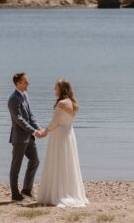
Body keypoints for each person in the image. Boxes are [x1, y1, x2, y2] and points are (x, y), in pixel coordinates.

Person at [38, 78, 88, 207]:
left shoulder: (61, 104)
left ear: (61, 89)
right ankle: (69, 191)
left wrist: (44, 131)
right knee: (68, 163)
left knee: (58, 162)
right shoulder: (71, 103)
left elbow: (55, 122)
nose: (54, 90)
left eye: (56, 87)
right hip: (68, 134)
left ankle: (59, 193)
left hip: (59, 135)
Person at [7, 72, 44, 202]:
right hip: (19, 138)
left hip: (29, 137)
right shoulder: (13, 98)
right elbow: (19, 119)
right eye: (25, 82)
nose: (28, 83)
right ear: (18, 83)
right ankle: (15, 195)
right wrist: (34, 131)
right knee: (16, 166)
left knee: (35, 161)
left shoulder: (25, 95)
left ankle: (27, 190)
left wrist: (39, 128)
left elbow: (30, 115)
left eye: (27, 81)